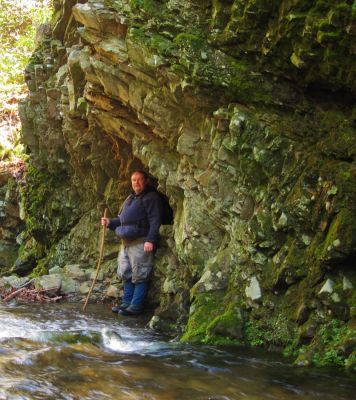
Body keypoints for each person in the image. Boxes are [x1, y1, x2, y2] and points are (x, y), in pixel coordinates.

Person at [101, 170, 162, 316]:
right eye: (134, 180)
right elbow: (122, 220)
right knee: (126, 273)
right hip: (126, 244)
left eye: (140, 180)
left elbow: (155, 220)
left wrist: (150, 240)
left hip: (141, 242)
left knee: (140, 274)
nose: (136, 183)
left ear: (146, 181)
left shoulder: (151, 197)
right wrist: (109, 222)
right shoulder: (131, 198)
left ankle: (135, 307)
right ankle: (126, 303)